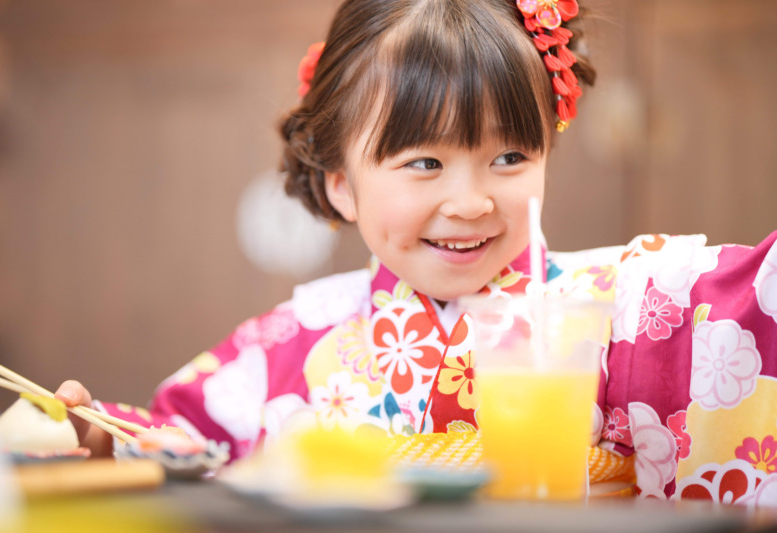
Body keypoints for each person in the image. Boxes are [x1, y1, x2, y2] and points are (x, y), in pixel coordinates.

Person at [55, 0, 777, 505]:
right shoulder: (288, 346)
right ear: (342, 183)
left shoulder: (624, 310)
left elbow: (756, 303)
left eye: (510, 155)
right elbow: (182, 445)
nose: (470, 201)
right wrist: (105, 444)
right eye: (425, 163)